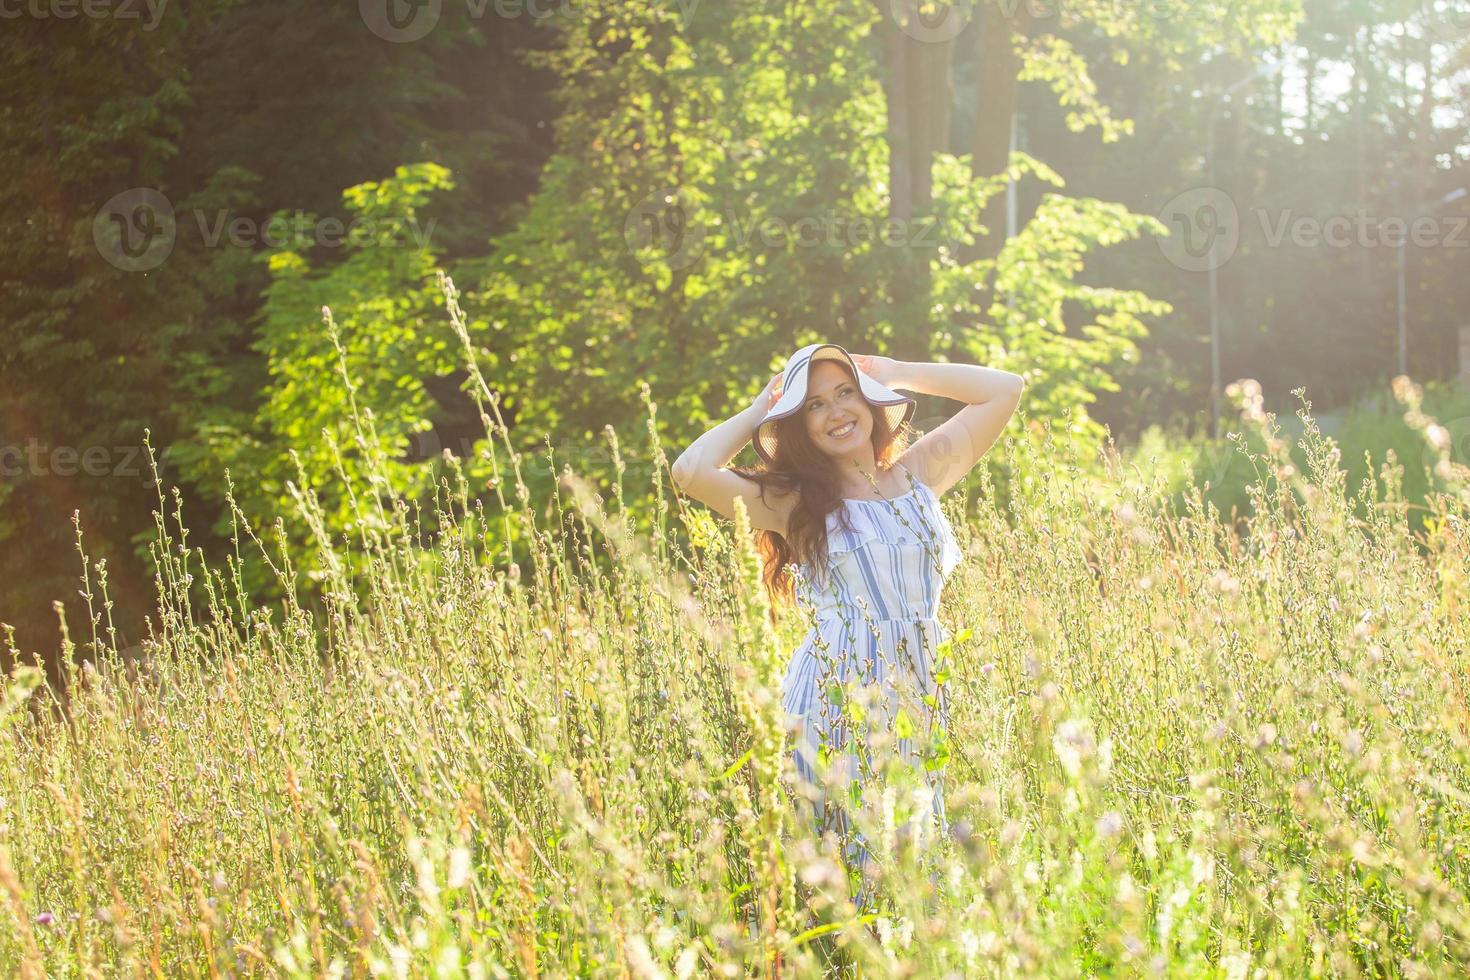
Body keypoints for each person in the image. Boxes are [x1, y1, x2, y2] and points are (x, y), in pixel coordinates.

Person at [670, 342, 1024, 902]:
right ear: (797, 424)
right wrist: (764, 404)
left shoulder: (918, 473)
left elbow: (1005, 388)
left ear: (870, 400)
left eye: (845, 393)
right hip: (838, 695)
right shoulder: (794, 503)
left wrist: (898, 370)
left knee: (920, 864)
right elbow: (690, 470)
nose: (836, 412)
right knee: (862, 869)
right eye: (813, 405)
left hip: (920, 689)